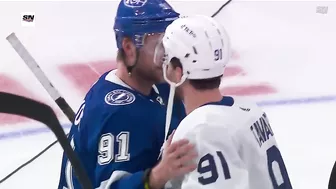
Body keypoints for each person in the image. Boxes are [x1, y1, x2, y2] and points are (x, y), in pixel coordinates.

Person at [57, 1, 197, 189]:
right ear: (129, 48)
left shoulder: (156, 84)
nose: (167, 55)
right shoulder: (119, 115)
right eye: (160, 45)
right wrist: (157, 175)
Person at [153, 15, 293, 189]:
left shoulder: (202, 129)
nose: (163, 65)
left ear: (179, 72)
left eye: (166, 59)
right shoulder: (249, 110)